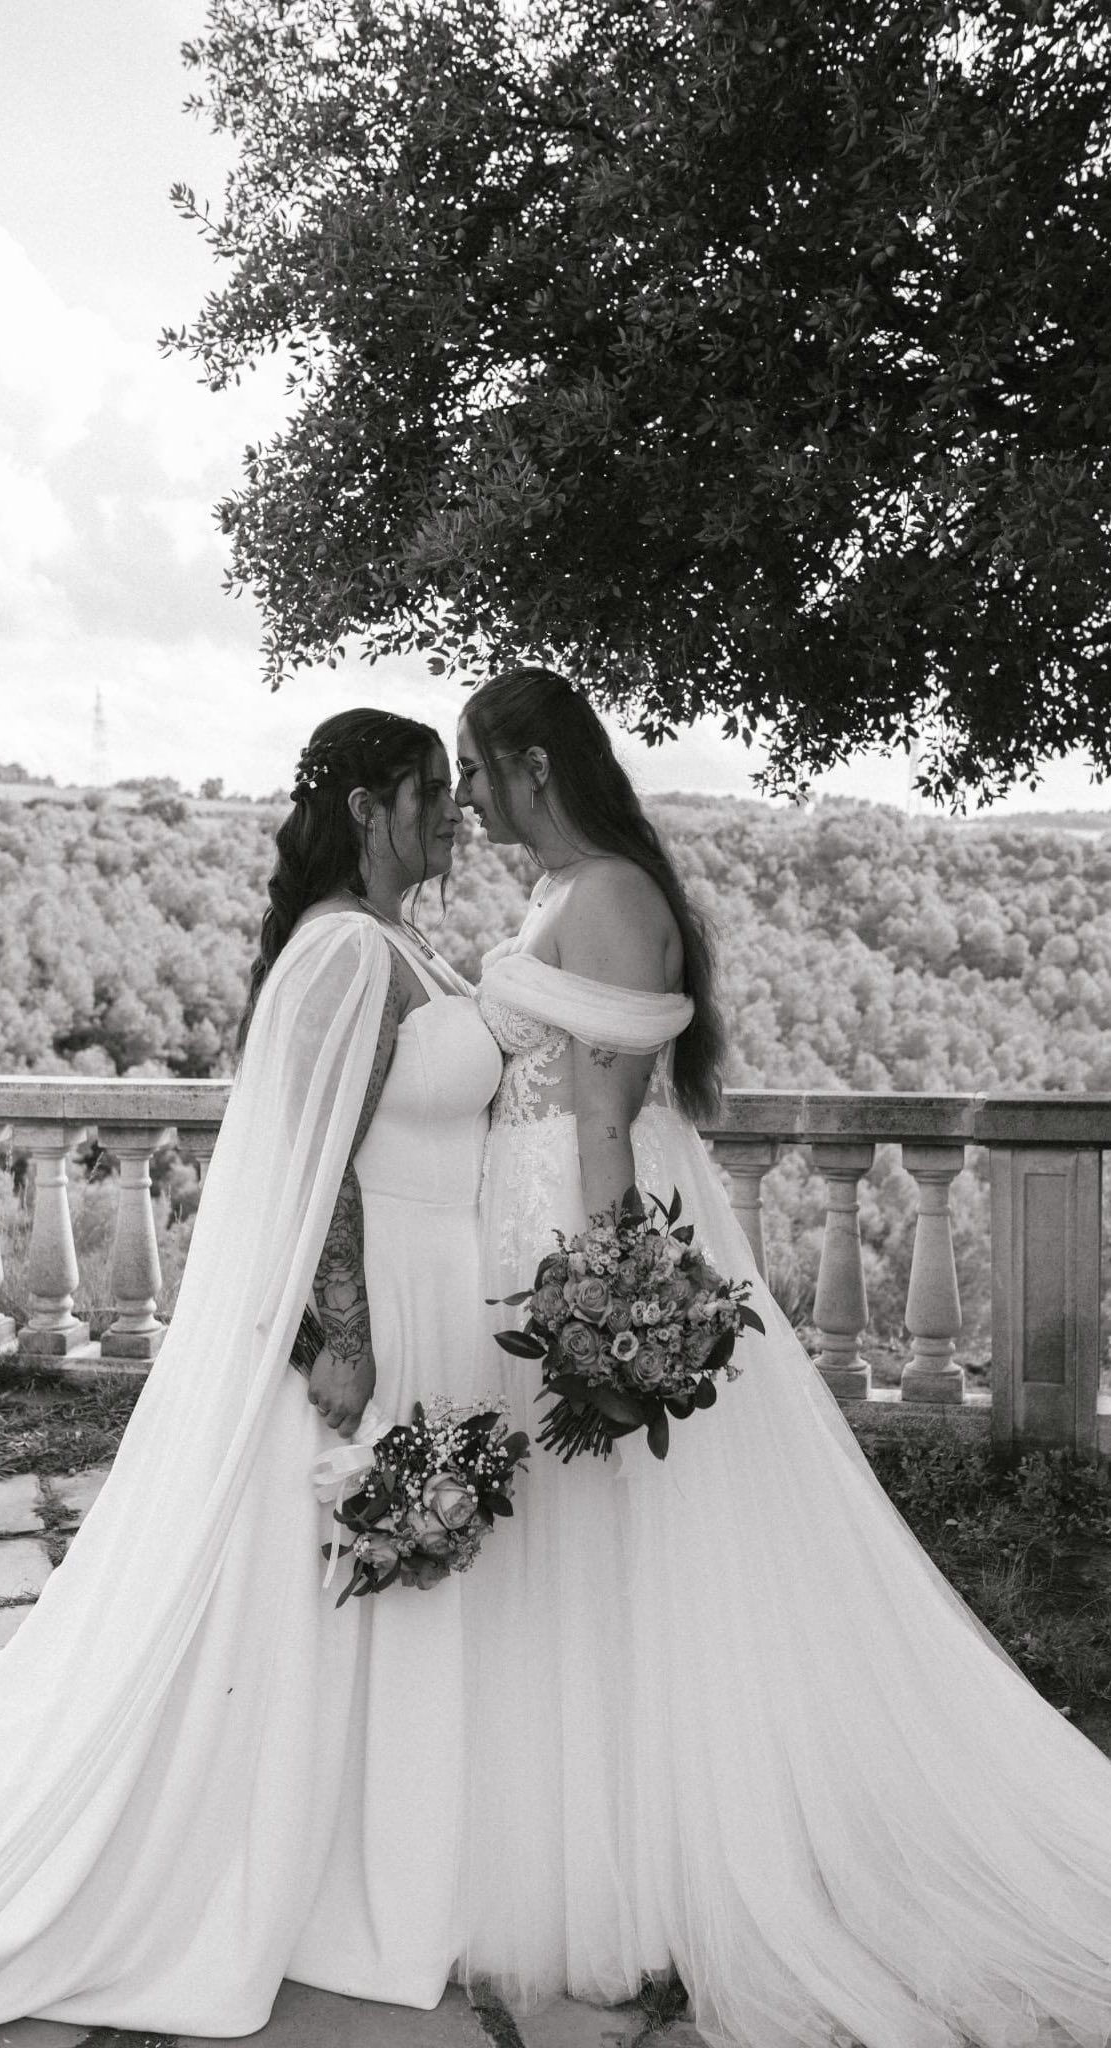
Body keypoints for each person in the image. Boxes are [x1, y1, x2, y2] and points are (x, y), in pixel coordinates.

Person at [453, 667, 1111, 2048]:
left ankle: (664, 1865)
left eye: (476, 766)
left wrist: (601, 1285)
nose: (465, 795)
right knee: (580, 1556)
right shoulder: (560, 893)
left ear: (530, 763)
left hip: (590, 1225)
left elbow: (601, 1111)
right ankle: (600, 1836)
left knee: (643, 1551)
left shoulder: (612, 896)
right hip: (534, 1217)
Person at [0, 709, 502, 2031]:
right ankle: (306, 1866)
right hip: (370, 1314)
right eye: (434, 794)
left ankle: (390, 1848)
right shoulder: (344, 956)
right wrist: (347, 1338)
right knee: (309, 1593)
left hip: (437, 1288)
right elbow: (316, 1176)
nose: (456, 816)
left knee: (379, 1599)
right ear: (372, 809)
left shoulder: (399, 946)